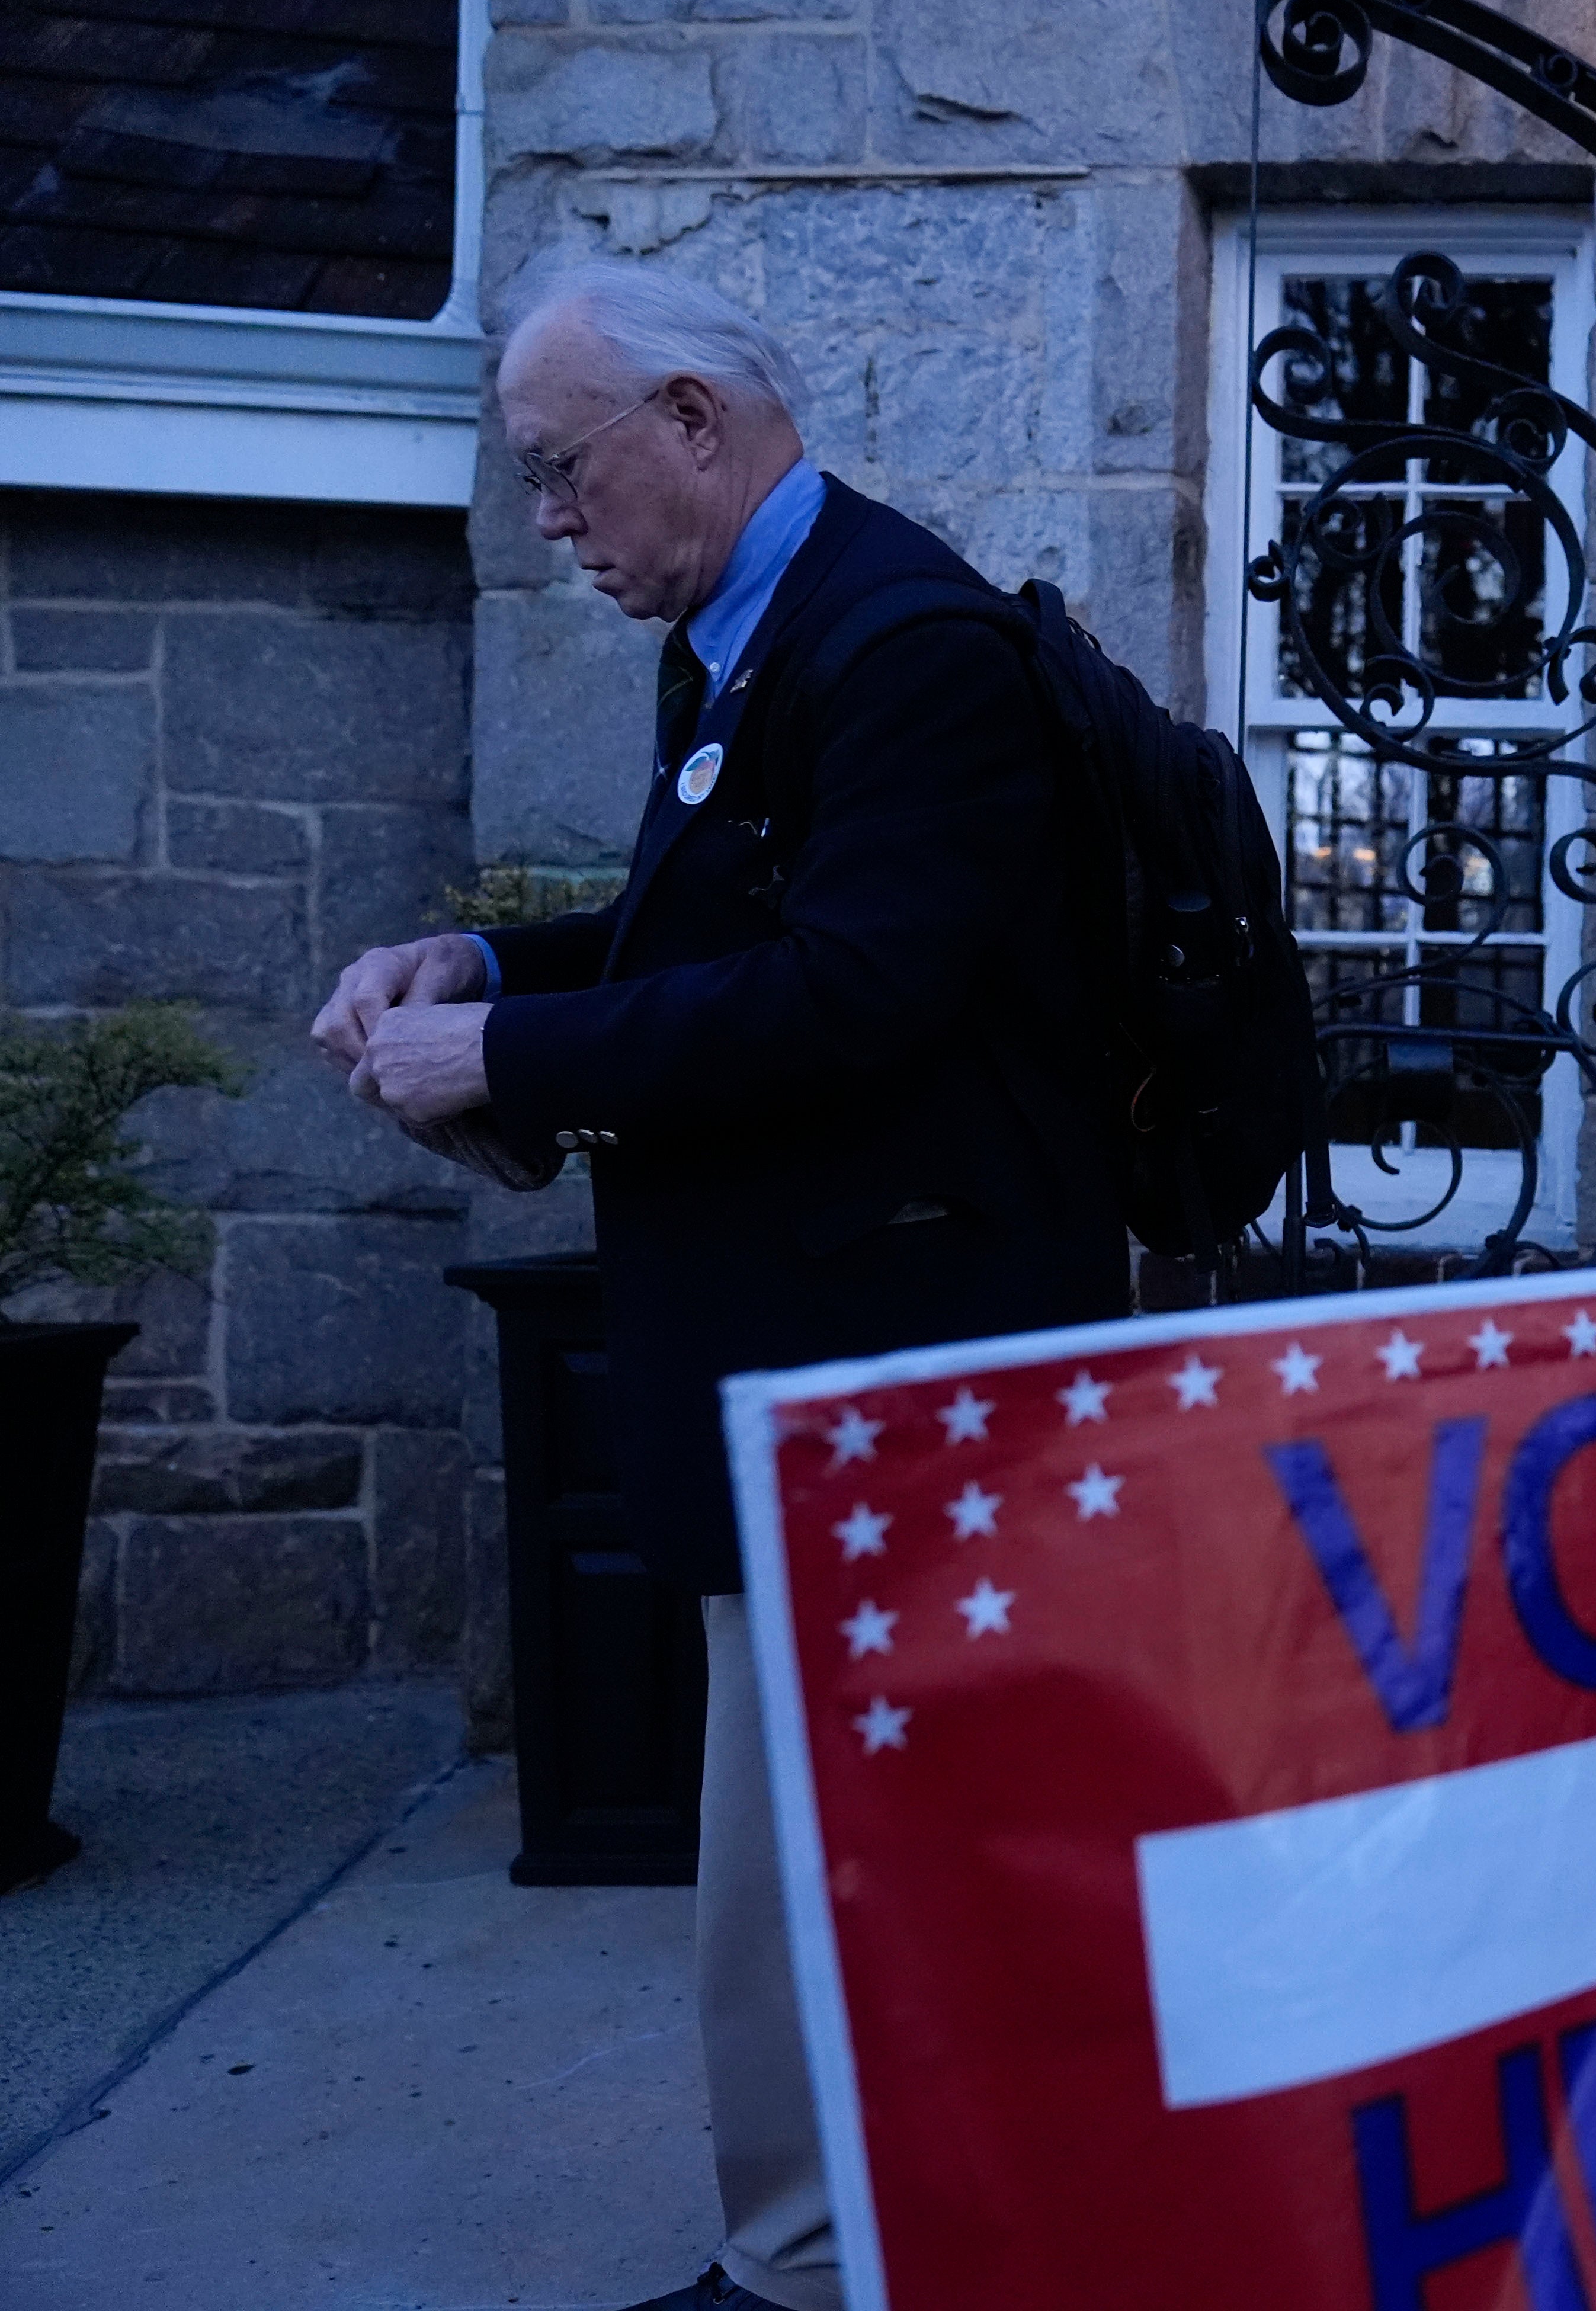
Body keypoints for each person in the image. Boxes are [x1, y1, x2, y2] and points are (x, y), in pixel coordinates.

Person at [311, 259, 1128, 2311]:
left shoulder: (904, 643)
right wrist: (490, 970)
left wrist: (502, 1062)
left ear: (692, 418)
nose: (551, 526)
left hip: (881, 1381)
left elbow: (853, 994)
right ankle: (870, 2241)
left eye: (563, 475)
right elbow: (720, 929)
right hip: (823, 1364)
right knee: (842, 1854)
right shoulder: (777, 628)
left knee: (802, 1867)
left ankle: (811, 2270)